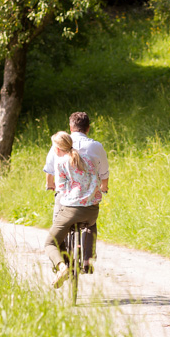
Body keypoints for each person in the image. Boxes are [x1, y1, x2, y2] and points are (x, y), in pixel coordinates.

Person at [43, 111, 109, 269]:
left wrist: (50, 185)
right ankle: (88, 257)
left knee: (58, 223)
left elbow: (51, 171)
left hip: (69, 201)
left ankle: (61, 262)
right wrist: (103, 187)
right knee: (91, 221)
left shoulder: (59, 145)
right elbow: (104, 172)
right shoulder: (95, 148)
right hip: (90, 203)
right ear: (88, 128)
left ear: (70, 128)